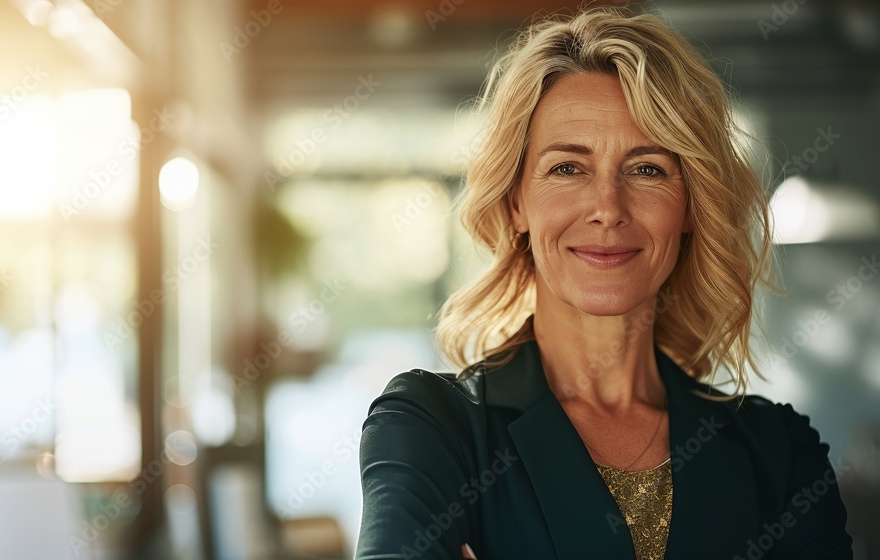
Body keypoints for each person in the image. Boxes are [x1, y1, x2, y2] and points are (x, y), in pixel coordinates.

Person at [355, 6, 854, 560]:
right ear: (517, 201)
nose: (608, 208)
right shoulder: (432, 427)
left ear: (691, 205)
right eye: (567, 168)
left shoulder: (780, 452)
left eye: (647, 169)